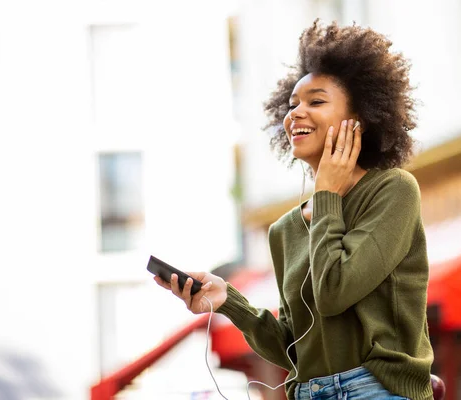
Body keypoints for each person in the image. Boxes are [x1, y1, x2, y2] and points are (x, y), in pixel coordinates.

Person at [154, 20, 434, 400]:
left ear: (362, 118)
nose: (295, 114)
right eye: (292, 105)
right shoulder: (284, 229)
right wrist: (229, 302)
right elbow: (293, 347)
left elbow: (335, 291)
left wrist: (326, 195)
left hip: (376, 390)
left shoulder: (393, 190)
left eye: (316, 102)